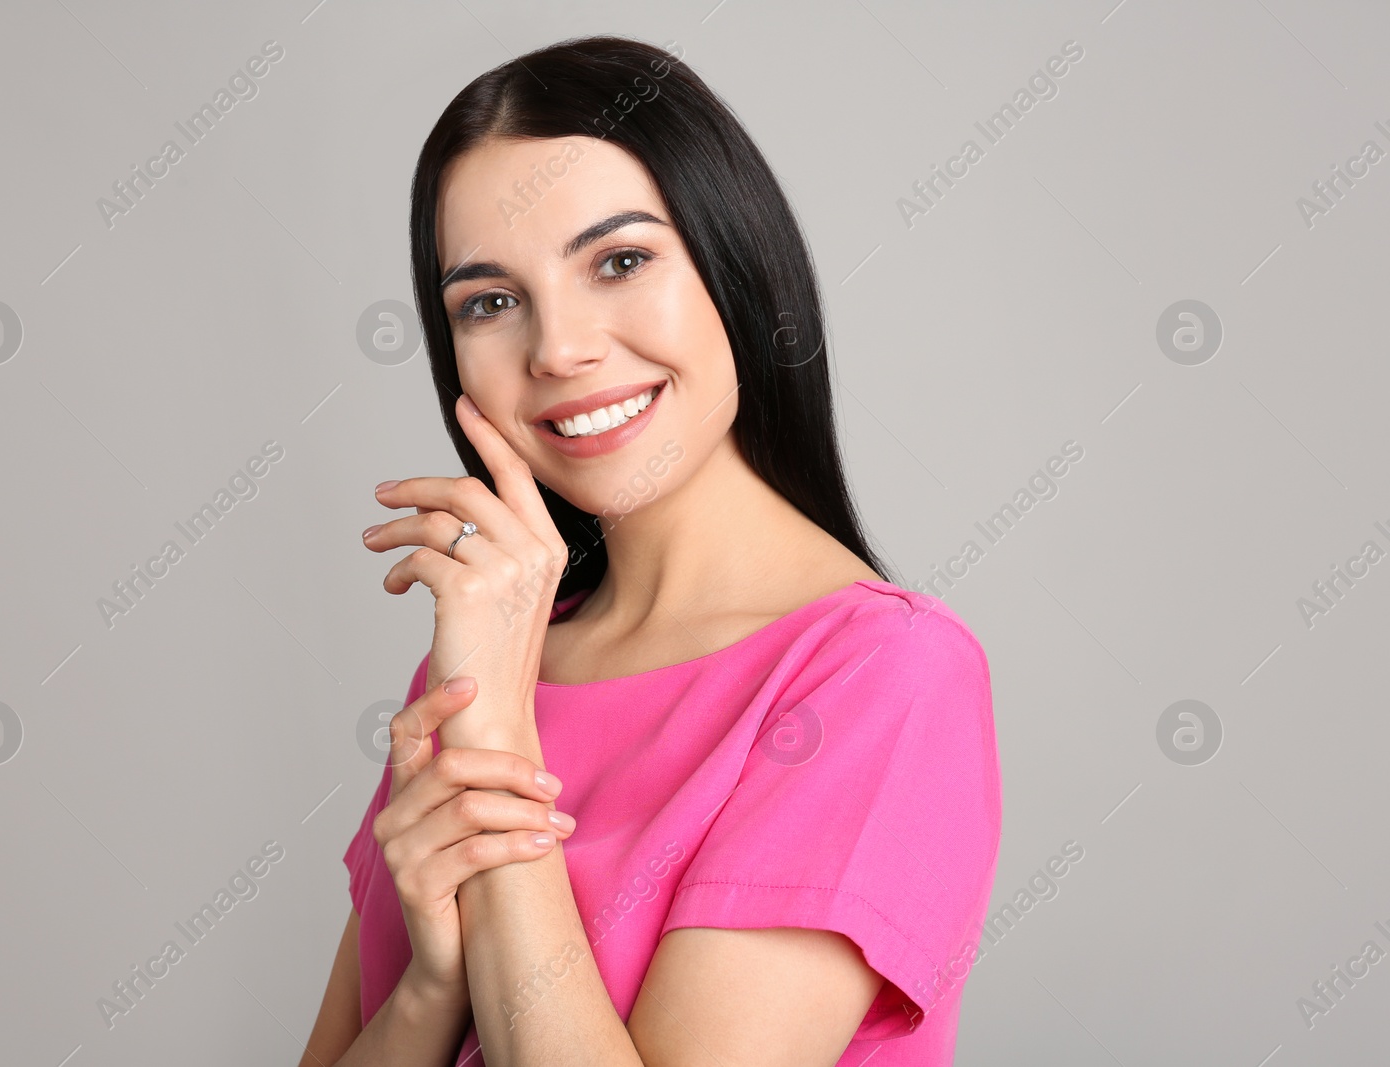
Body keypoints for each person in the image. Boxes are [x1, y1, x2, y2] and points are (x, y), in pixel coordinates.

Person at [302, 34, 1001, 1067]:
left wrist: (497, 750)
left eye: (619, 261)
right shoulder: (489, 660)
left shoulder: (881, 676)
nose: (559, 349)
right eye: (489, 302)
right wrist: (430, 989)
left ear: (738, 269)